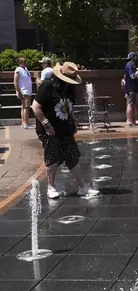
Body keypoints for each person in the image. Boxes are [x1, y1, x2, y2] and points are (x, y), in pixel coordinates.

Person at [31, 62, 99, 199]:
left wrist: (72, 121)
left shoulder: (68, 89)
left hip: (64, 128)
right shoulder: (48, 86)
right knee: (53, 157)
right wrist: (47, 124)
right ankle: (51, 187)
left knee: (72, 156)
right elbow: (35, 107)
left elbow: (68, 107)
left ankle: (83, 187)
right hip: (49, 129)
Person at [124, 52, 138, 127]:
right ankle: (129, 121)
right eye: (135, 57)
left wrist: (137, 71)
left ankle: (132, 120)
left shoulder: (132, 65)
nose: (136, 59)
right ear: (132, 58)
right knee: (130, 104)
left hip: (133, 88)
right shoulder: (129, 65)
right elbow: (132, 76)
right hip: (131, 88)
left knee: (133, 104)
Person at [14, 57, 33, 129]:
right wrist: (18, 91)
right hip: (24, 91)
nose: (26, 62)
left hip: (27, 91)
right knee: (26, 107)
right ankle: (25, 123)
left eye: (25, 61)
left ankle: (23, 123)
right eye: (24, 61)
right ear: (20, 63)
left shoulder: (26, 69)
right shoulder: (18, 69)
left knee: (24, 107)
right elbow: (15, 81)